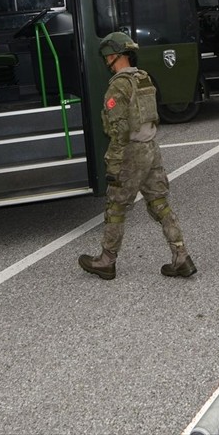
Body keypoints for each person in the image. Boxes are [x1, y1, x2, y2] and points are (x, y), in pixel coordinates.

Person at [78, 32, 196, 280]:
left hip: (131, 151)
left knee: (115, 206)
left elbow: (119, 130)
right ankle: (181, 256)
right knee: (160, 204)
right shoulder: (145, 79)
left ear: (113, 56)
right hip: (151, 148)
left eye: (107, 56)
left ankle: (106, 261)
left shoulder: (118, 86)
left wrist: (114, 163)